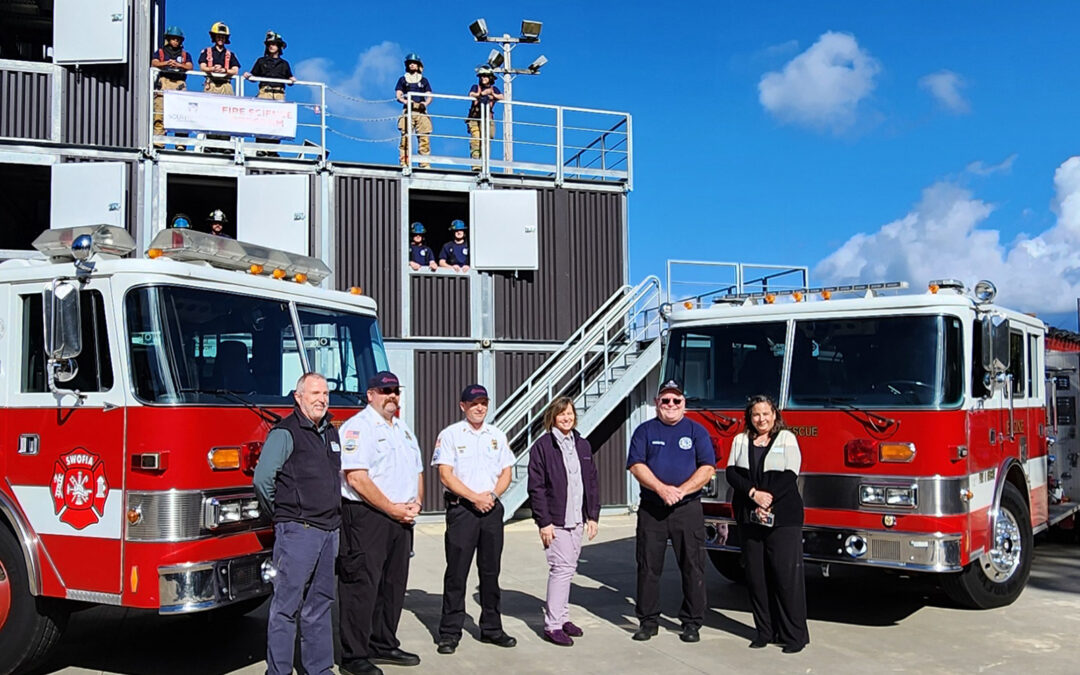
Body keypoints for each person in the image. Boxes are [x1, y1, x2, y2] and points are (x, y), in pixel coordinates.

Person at [253, 373, 341, 675]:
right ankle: (278, 671)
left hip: (329, 531)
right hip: (298, 532)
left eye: (326, 393)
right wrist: (282, 514)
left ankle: (318, 669)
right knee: (286, 607)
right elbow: (263, 479)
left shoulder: (331, 432)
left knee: (320, 604)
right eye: (315, 393)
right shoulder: (285, 433)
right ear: (298, 396)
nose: (322, 399)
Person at [337, 371, 424, 675]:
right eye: (385, 390)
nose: (392, 396)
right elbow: (356, 477)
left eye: (396, 391)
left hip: (401, 518)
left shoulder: (402, 429)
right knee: (361, 585)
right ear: (370, 394)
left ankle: (383, 642)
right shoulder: (358, 428)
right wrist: (391, 508)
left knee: (393, 584)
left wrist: (417, 503)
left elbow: (418, 470)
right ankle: (354, 655)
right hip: (368, 517)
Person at [625, 379, 715, 643]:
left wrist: (682, 490)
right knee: (648, 566)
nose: (671, 405)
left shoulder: (696, 432)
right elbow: (636, 465)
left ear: (684, 405)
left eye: (677, 400)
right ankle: (648, 620)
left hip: (687, 509)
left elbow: (707, 468)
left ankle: (691, 622)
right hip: (653, 509)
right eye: (666, 400)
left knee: (692, 566)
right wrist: (662, 489)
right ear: (657, 404)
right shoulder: (644, 431)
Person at [432, 384, 516, 655]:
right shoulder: (450, 435)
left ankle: (492, 628)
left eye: (483, 402)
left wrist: (490, 495)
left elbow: (506, 471)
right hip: (463, 511)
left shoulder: (497, 435)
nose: (479, 407)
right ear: (463, 406)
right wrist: (473, 497)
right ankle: (449, 632)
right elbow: (445, 474)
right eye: (474, 403)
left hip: (491, 510)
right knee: (457, 573)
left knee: (490, 572)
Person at [725, 394, 809, 654]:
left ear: (774, 415)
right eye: (756, 415)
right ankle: (764, 631)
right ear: (750, 418)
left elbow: (790, 474)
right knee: (756, 577)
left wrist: (767, 502)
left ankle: (794, 636)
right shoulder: (740, 440)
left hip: (783, 518)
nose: (761, 419)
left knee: (786, 577)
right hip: (750, 517)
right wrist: (753, 495)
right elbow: (731, 473)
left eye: (766, 413)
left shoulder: (787, 439)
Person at [526, 397, 600, 647]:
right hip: (556, 520)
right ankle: (553, 625)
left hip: (577, 518)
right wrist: (543, 522)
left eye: (569, 413)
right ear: (553, 418)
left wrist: (593, 515)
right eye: (561, 414)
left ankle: (563, 616)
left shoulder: (582, 444)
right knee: (561, 569)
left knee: (569, 569)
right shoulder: (543, 447)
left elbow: (591, 482)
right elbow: (536, 488)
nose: (566, 418)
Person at [244, 31, 295, 157]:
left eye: (274, 44)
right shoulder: (261, 61)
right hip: (265, 92)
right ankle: (261, 148)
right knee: (262, 120)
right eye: (269, 44)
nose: (271, 46)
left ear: (279, 46)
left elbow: (290, 79)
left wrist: (292, 80)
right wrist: (248, 75)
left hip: (279, 93)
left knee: (277, 121)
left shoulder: (284, 64)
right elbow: (253, 74)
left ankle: (273, 149)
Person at [199, 22, 240, 152]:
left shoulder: (230, 54)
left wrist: (225, 71)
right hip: (211, 84)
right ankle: (210, 143)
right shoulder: (207, 51)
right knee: (210, 113)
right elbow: (202, 67)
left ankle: (225, 144)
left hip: (225, 85)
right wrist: (212, 69)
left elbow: (235, 70)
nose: (220, 39)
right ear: (214, 37)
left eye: (223, 37)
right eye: (218, 36)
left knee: (226, 114)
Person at [150, 26, 192, 150]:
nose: (175, 41)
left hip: (179, 84)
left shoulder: (185, 54)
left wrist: (179, 65)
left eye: (178, 39)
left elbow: (190, 66)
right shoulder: (161, 52)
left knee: (181, 115)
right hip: (164, 83)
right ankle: (159, 141)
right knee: (160, 114)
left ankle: (180, 143)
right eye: (173, 39)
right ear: (168, 39)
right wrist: (167, 63)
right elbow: (154, 62)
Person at [395, 53, 433, 168]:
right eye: (410, 63)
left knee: (424, 138)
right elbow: (398, 94)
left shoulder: (424, 80)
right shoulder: (403, 79)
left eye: (414, 63)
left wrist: (425, 103)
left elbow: (429, 95)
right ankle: (404, 162)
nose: (412, 65)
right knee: (405, 137)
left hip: (421, 111)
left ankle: (424, 163)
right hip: (408, 111)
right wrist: (406, 101)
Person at [466, 66, 503, 168]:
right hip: (475, 118)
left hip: (487, 118)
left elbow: (501, 97)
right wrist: (481, 94)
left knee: (486, 141)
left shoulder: (493, 89)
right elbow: (471, 94)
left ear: (490, 78)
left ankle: (485, 165)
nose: (483, 78)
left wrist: (492, 95)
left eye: (485, 76)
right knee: (475, 140)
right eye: (482, 76)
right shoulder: (476, 87)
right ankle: (476, 165)